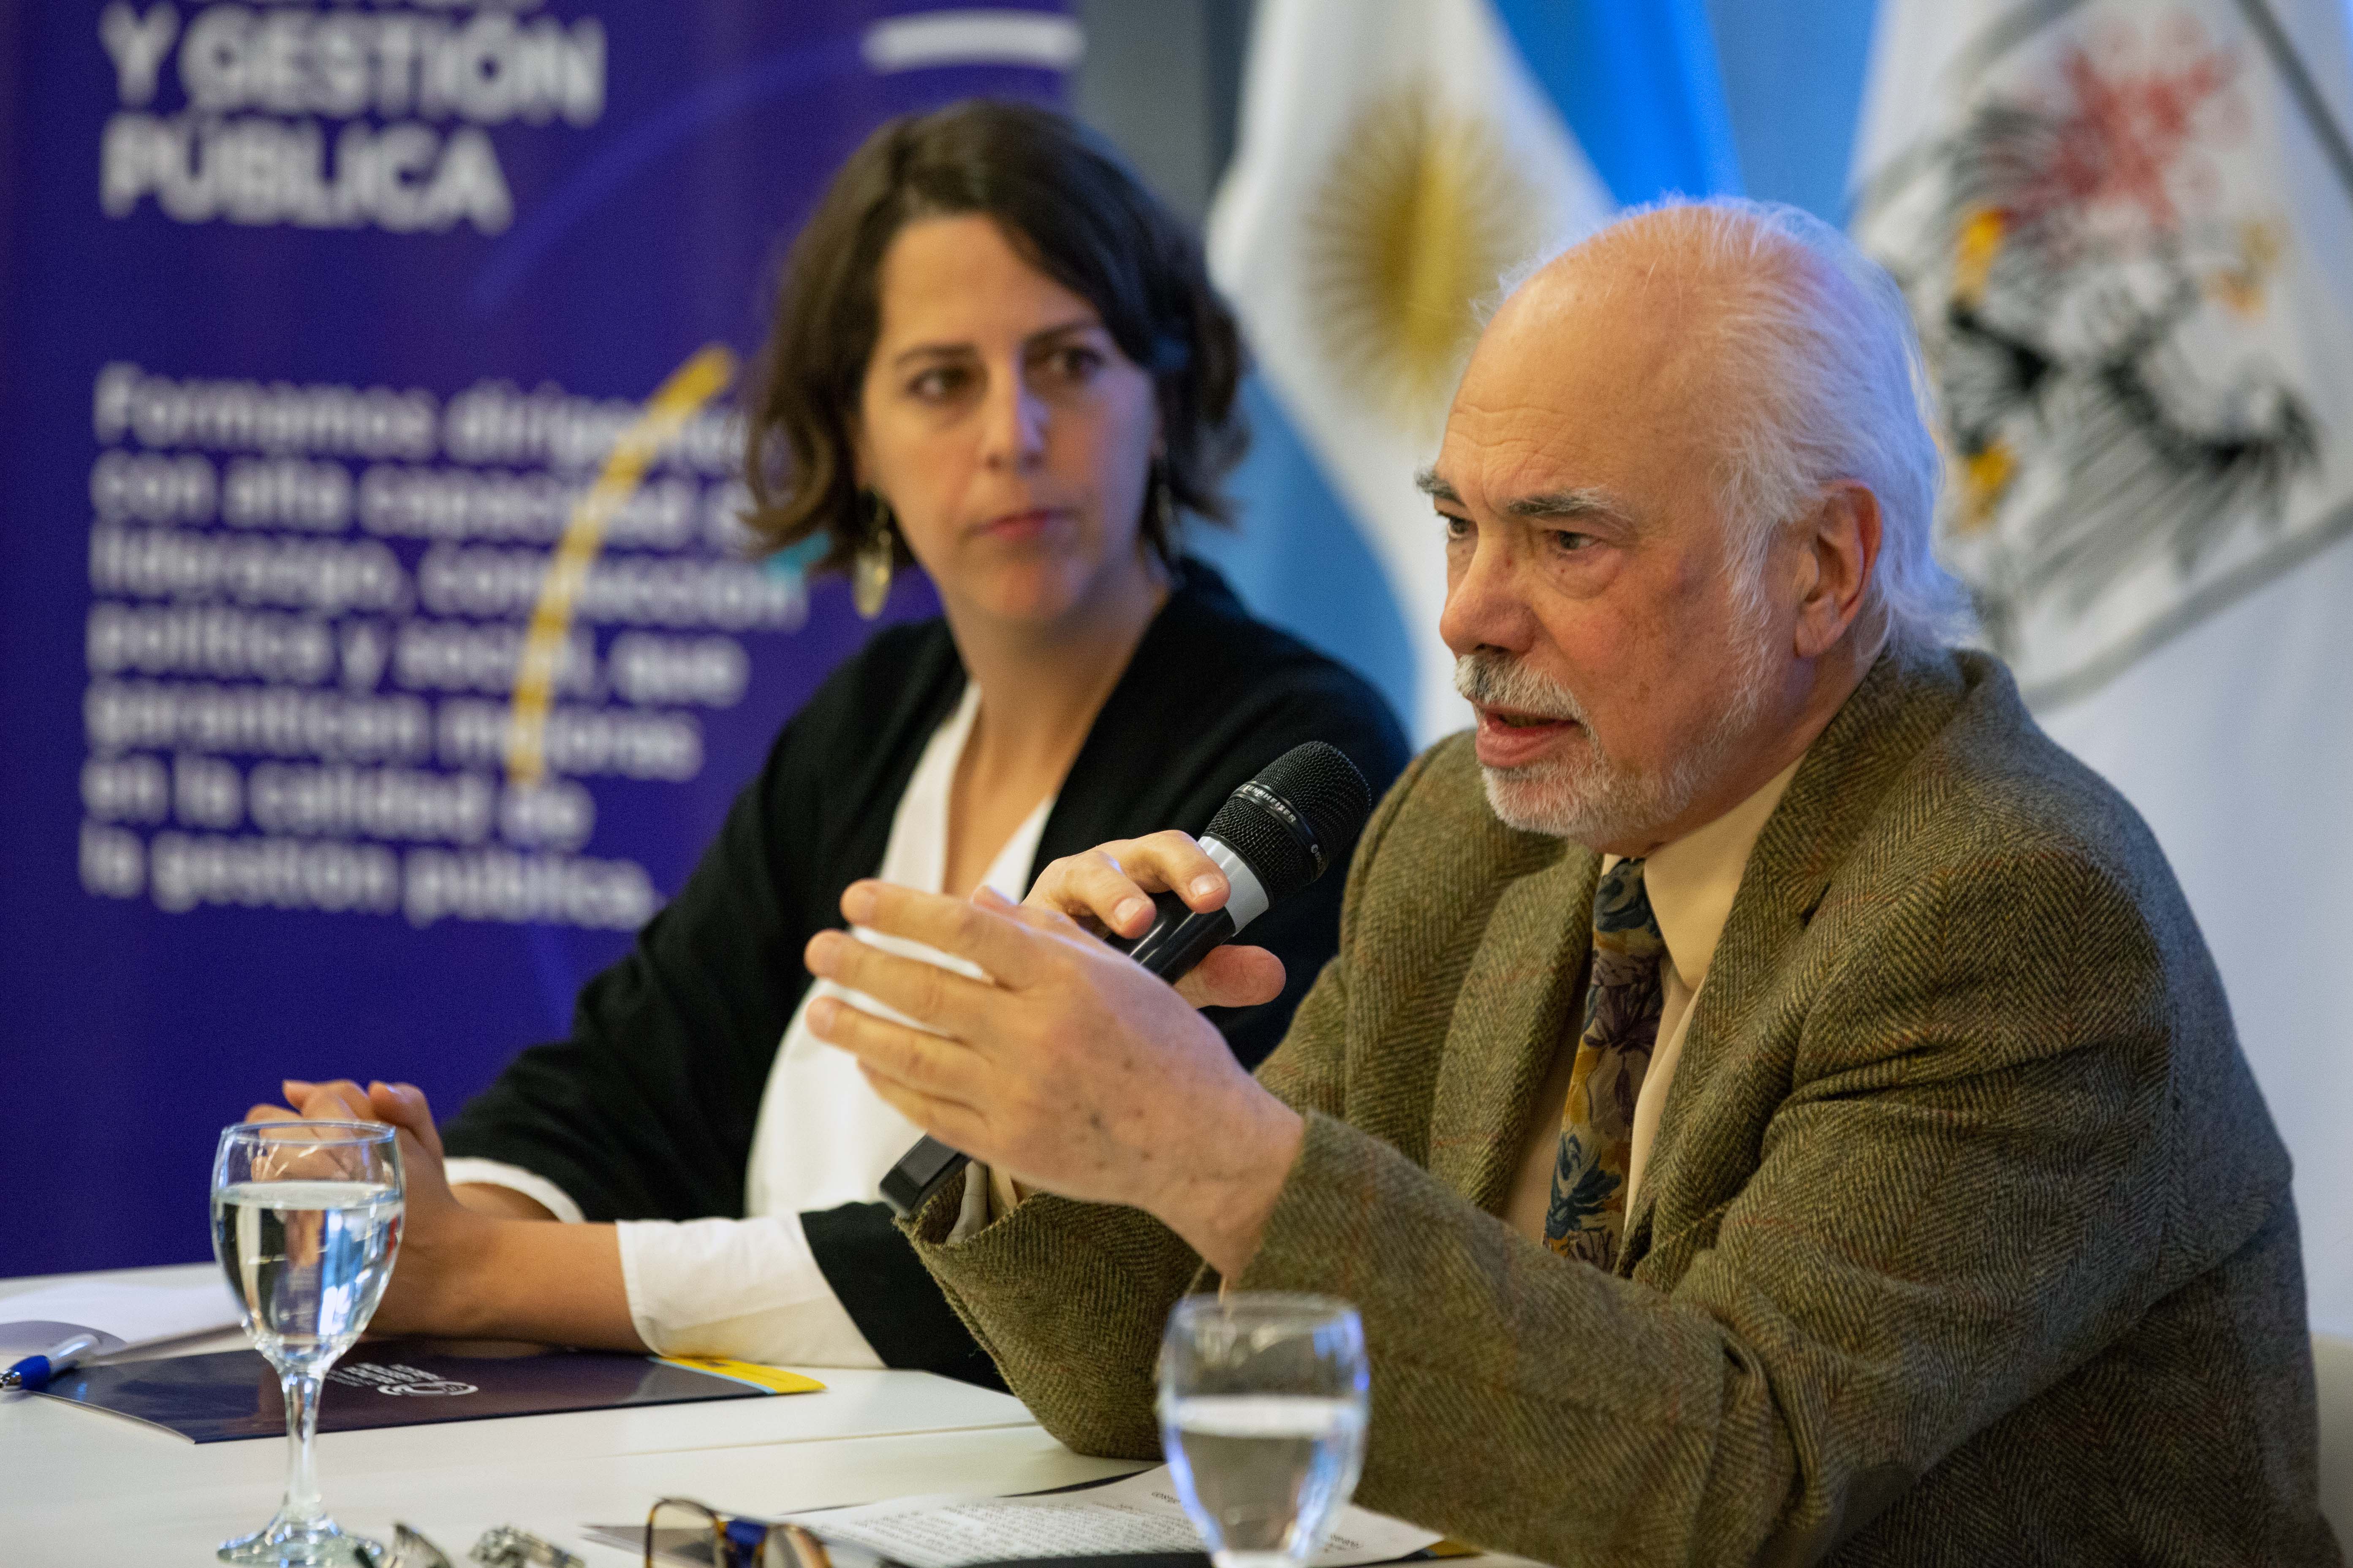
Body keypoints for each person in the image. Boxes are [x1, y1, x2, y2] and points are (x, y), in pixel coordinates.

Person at [801, 198, 2342, 1563]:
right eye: (1459, 523)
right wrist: (1082, 1122)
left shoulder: (2012, 913)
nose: (1469, 613)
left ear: (1820, 568)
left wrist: (1216, 1145)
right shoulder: (1473, 835)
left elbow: (1732, 1484)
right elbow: (1130, 1379)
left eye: (1565, 540)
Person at [250, 100, 1407, 1384]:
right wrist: (420, 1216)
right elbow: (633, 1085)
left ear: (1165, 389)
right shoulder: (874, 716)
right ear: (857, 440)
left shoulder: (1293, 756)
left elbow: (1040, 1265)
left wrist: (478, 1275)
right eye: (939, 381)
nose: (1010, 434)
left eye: (1070, 362)